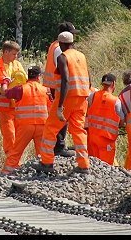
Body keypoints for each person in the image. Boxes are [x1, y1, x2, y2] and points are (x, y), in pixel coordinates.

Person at [37, 31, 91, 174]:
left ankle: (47, 162)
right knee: (78, 131)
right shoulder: (82, 56)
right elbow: (89, 79)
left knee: (50, 129)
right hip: (82, 98)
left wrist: (60, 105)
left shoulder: (63, 57)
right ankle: (83, 165)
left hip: (67, 99)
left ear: (61, 44)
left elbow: (65, 80)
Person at [1, 65, 50, 175]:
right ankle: (43, 173)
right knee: (42, 153)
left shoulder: (20, 89)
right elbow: (51, 105)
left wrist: (5, 82)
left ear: (28, 75)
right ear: (39, 77)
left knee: (16, 151)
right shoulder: (45, 90)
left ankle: (6, 172)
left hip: (25, 126)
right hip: (42, 125)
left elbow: (6, 92)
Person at [42, 21, 78, 158]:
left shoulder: (54, 46)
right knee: (61, 116)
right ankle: (60, 146)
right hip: (59, 87)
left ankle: (59, 145)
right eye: (72, 35)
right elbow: (64, 73)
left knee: (60, 116)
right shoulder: (59, 49)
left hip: (55, 86)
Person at [85, 73, 122, 166]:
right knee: (106, 167)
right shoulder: (115, 101)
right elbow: (123, 120)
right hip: (106, 140)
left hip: (92, 137)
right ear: (113, 84)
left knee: (94, 165)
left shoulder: (92, 96)